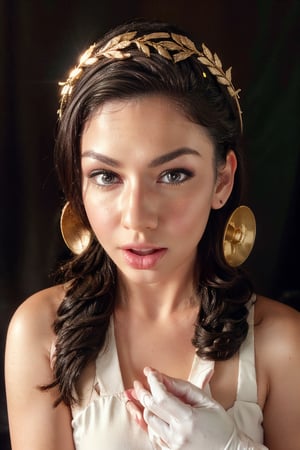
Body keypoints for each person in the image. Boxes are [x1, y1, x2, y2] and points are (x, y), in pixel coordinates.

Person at [5, 19, 300, 450]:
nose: (137, 218)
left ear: (222, 180)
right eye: (106, 175)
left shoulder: (282, 343)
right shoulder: (40, 334)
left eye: (173, 174)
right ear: (78, 183)